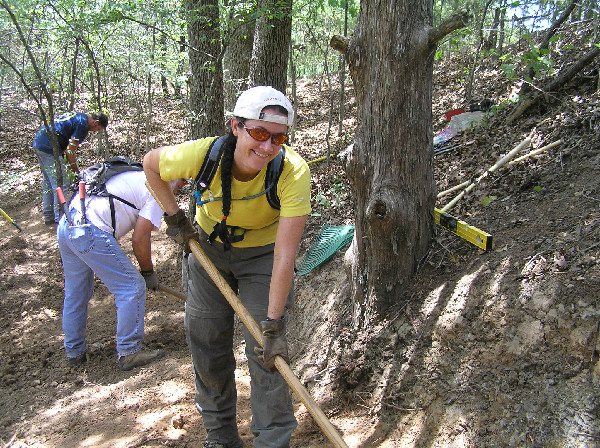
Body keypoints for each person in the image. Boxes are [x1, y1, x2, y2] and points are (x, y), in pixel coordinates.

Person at [144, 86, 311, 448]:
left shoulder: (292, 172)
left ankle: (272, 441)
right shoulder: (203, 154)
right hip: (207, 251)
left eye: (278, 138)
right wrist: (175, 219)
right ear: (235, 126)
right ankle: (221, 437)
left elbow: (284, 255)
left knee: (268, 354)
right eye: (259, 132)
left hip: (264, 256)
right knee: (207, 345)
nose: (267, 147)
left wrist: (274, 323)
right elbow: (150, 164)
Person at [56, 167, 186, 371]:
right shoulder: (157, 189)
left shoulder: (138, 175)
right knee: (132, 287)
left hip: (68, 223)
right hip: (91, 229)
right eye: (182, 181)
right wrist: (147, 273)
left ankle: (75, 351)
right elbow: (140, 237)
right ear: (170, 176)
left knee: (76, 293)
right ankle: (129, 352)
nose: (181, 187)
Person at [32, 111, 108, 225]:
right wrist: (76, 172)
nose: (94, 132)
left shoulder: (79, 116)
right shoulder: (82, 125)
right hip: (48, 147)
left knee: (48, 182)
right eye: (97, 129)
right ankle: (61, 219)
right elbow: (70, 151)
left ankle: (49, 216)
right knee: (61, 182)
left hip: (39, 142)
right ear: (95, 122)